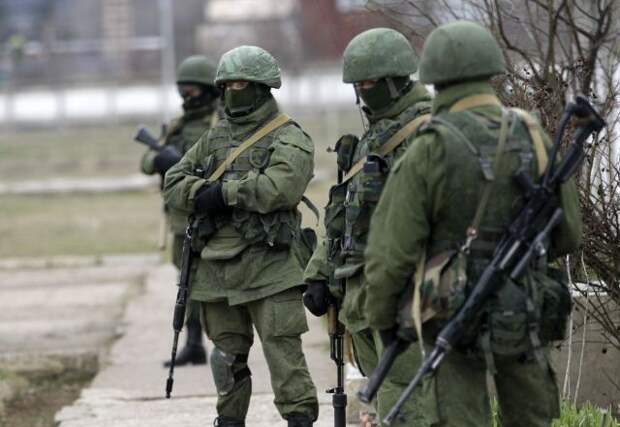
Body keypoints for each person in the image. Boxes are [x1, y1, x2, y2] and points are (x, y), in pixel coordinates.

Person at [363, 21, 582, 427]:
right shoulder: (532, 135)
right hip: (524, 309)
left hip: (451, 314)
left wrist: (384, 321)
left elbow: (390, 255)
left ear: (434, 77)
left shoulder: (429, 147)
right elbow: (569, 234)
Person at [163, 45, 318, 427]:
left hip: (270, 267)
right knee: (226, 358)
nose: (232, 92)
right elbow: (174, 182)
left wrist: (225, 193)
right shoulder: (214, 138)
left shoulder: (289, 137)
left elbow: (281, 188)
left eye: (240, 84)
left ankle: (299, 419)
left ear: (262, 87)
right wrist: (201, 192)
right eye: (227, 85)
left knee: (284, 357)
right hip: (217, 269)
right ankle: (229, 421)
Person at [302, 28, 433, 426]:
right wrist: (319, 273)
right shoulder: (374, 136)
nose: (362, 92)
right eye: (357, 84)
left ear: (396, 79)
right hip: (358, 290)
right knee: (380, 395)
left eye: (370, 83)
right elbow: (342, 212)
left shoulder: (426, 131)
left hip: (403, 287)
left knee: (405, 393)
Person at [140, 54, 220, 367]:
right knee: (186, 280)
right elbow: (146, 161)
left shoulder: (220, 124)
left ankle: (224, 343)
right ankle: (194, 342)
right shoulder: (178, 125)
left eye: (193, 90)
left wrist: (186, 164)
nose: (187, 96)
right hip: (179, 218)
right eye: (182, 90)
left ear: (209, 90)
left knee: (213, 281)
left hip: (212, 215)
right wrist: (160, 160)